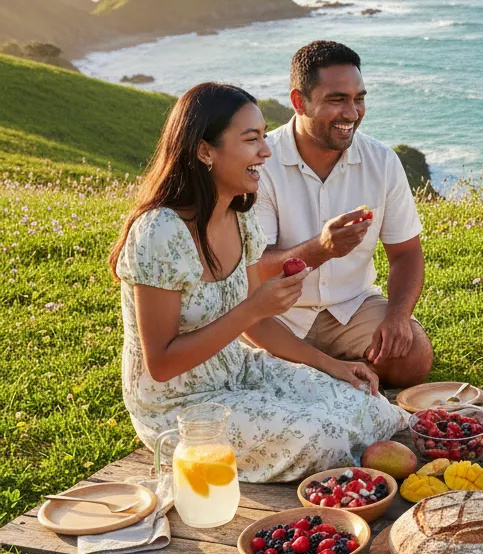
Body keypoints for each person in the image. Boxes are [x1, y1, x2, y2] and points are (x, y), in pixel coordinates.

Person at [109, 83, 405, 482]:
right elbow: (161, 364)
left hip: (239, 371)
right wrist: (254, 307)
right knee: (323, 438)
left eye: (264, 137)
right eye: (251, 140)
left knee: (368, 404)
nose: (266, 151)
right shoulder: (159, 233)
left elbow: (257, 324)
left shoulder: (240, 216)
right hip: (181, 406)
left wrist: (333, 365)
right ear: (204, 150)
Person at [254, 40, 433, 388]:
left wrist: (397, 317)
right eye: (337, 100)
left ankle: (323, 372)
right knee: (261, 376)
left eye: (359, 99)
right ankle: (329, 370)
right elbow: (253, 270)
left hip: (352, 306)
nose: (352, 113)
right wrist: (320, 249)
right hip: (277, 314)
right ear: (298, 101)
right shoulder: (261, 164)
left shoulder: (381, 161)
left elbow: (406, 253)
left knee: (414, 358)